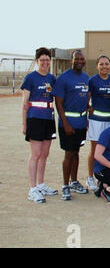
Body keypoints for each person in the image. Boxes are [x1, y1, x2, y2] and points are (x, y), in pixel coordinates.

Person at [21, 47, 58, 203]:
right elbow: (24, 103)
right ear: (37, 61)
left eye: (47, 60)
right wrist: (24, 124)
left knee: (44, 154)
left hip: (48, 119)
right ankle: (32, 188)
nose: (44, 62)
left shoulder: (52, 78)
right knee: (35, 155)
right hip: (35, 118)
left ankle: (41, 184)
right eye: (42, 60)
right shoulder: (30, 78)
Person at [52, 50, 90, 201]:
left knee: (76, 153)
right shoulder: (63, 78)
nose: (79, 61)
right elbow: (59, 103)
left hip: (81, 123)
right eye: (77, 59)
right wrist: (66, 124)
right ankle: (65, 185)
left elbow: (85, 100)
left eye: (82, 59)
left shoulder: (86, 78)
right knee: (69, 154)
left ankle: (74, 182)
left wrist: (86, 117)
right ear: (71, 61)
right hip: (68, 123)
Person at [86, 55, 110, 191]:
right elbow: (86, 100)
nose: (104, 66)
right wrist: (89, 109)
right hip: (96, 121)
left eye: (106, 64)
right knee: (95, 150)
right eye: (101, 64)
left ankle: (104, 176)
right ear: (97, 66)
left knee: (108, 150)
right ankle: (90, 177)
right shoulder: (92, 80)